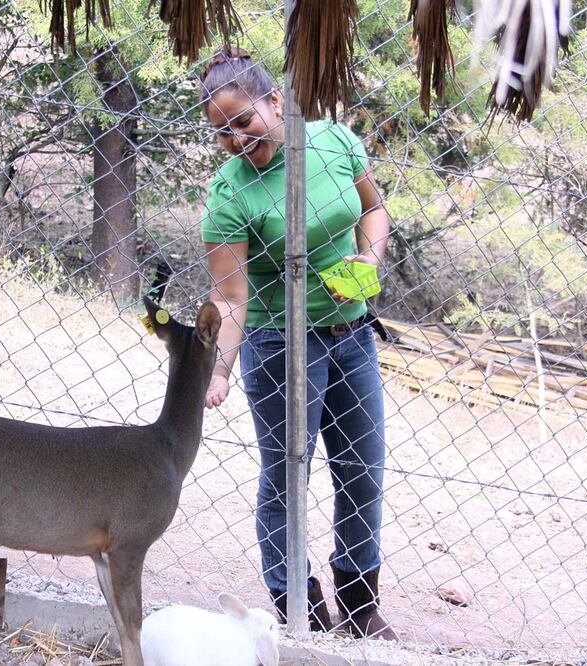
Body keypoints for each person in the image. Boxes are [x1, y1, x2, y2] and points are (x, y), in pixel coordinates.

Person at [199, 47, 396, 640]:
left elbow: (375, 208)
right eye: (221, 131)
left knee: (361, 470)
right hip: (279, 344)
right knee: (287, 474)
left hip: (352, 334)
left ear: (276, 102)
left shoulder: (335, 142)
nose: (235, 138)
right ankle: (298, 608)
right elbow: (231, 297)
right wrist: (218, 370)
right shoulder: (230, 195)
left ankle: (360, 608)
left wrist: (368, 258)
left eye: (243, 120)